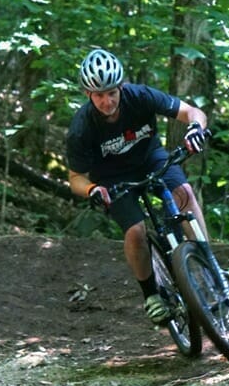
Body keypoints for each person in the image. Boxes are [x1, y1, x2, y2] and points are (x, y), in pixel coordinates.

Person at [66, 48, 211, 326]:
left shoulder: (140, 96)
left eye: (112, 93)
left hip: (149, 157)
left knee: (185, 194)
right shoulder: (81, 127)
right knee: (135, 231)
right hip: (111, 178)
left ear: (121, 87)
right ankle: (151, 296)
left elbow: (192, 112)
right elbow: (75, 178)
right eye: (99, 95)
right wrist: (92, 190)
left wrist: (195, 129)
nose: (107, 101)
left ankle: (207, 261)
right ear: (88, 95)